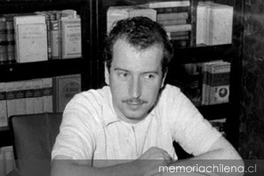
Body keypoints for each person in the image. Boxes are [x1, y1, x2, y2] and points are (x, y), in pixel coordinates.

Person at [51, 16, 243, 176]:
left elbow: (233, 164)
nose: (135, 92)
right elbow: (61, 173)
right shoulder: (86, 106)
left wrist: (167, 171)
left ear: (163, 78)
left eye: (148, 76)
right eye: (124, 75)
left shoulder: (170, 100)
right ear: (107, 73)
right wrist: (139, 167)